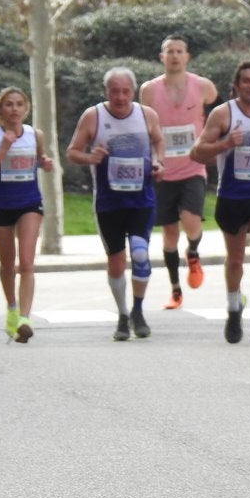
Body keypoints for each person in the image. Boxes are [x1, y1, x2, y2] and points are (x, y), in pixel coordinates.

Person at [67, 67, 165, 341]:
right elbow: (73, 152)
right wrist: (91, 158)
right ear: (106, 91)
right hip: (109, 202)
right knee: (116, 260)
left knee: (141, 252)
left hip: (141, 198)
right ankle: (122, 315)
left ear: (133, 92)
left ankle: (138, 310)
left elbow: (158, 141)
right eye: (114, 91)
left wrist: (159, 162)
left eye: (125, 91)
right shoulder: (93, 116)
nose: (120, 97)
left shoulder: (147, 115)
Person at [191, 62, 250, 345]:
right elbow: (197, 152)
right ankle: (232, 310)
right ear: (237, 85)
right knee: (236, 259)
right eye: (246, 81)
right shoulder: (223, 113)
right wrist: (225, 144)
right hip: (231, 196)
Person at [139, 35, 218, 309]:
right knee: (170, 232)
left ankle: (193, 252)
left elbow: (214, 113)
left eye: (179, 51)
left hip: (193, 166)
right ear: (162, 57)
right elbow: (147, 127)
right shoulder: (149, 90)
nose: (174, 56)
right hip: (163, 170)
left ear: (187, 56)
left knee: (192, 220)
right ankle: (175, 290)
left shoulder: (203, 87)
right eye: (169, 51)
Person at [0, 87, 54, 343]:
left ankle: (24, 318)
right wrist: (3, 150)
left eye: (20, 104)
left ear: (26, 108)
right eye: (9, 104)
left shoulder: (35, 134)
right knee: (7, 265)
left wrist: (45, 162)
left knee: (27, 263)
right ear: (0, 109)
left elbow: (40, 158)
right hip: (0, 205)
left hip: (29, 203)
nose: (15, 109)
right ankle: (11, 307)